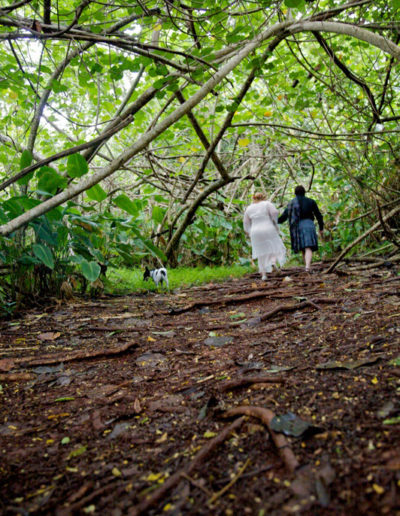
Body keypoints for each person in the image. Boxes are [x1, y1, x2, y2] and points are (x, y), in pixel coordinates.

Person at [278, 185, 324, 273]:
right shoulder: (311, 201)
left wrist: (273, 221)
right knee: (308, 247)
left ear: (295, 193)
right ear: (304, 192)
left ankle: (307, 267)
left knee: (303, 247)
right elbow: (318, 215)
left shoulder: (291, 203)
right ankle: (307, 267)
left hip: (297, 226)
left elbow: (283, 217)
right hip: (309, 224)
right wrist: (321, 228)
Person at [243, 192, 286, 280]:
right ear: (263, 197)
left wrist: (249, 232)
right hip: (268, 228)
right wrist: (274, 221)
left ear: (253, 198)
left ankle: (263, 275)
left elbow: (246, 223)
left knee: (260, 252)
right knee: (273, 247)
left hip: (255, 231)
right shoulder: (267, 204)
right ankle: (274, 264)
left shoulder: (249, 208)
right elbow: (275, 212)